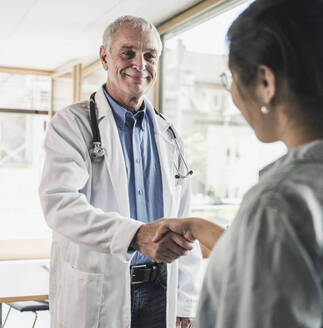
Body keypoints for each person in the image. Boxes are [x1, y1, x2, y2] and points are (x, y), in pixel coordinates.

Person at [153, 0, 323, 327]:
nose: (232, 91)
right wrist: (198, 227)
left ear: (265, 83)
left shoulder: (278, 203)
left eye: (229, 76)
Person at [39, 16, 203, 328]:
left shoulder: (169, 134)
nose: (139, 64)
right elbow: (60, 205)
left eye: (150, 55)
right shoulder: (71, 125)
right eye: (127, 53)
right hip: (102, 286)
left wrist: (187, 299)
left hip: (161, 287)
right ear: (105, 57)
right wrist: (135, 236)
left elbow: (184, 217)